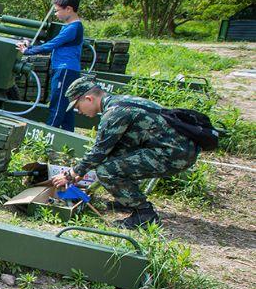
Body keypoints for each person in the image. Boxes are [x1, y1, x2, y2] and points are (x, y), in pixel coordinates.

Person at [51, 77, 200, 229]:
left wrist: (70, 174)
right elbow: (112, 151)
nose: (79, 112)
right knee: (116, 158)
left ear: (88, 99)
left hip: (174, 154)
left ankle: (144, 214)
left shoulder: (114, 113)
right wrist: (80, 172)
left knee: (106, 171)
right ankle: (128, 199)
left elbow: (99, 152)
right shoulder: (122, 101)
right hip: (178, 149)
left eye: (78, 106)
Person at [15, 0, 85, 131]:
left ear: (69, 9)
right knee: (66, 106)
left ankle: (47, 135)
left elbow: (52, 45)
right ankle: (68, 136)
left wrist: (28, 51)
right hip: (68, 69)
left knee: (57, 104)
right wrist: (32, 46)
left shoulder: (73, 28)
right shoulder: (72, 27)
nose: (56, 14)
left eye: (57, 11)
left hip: (64, 70)